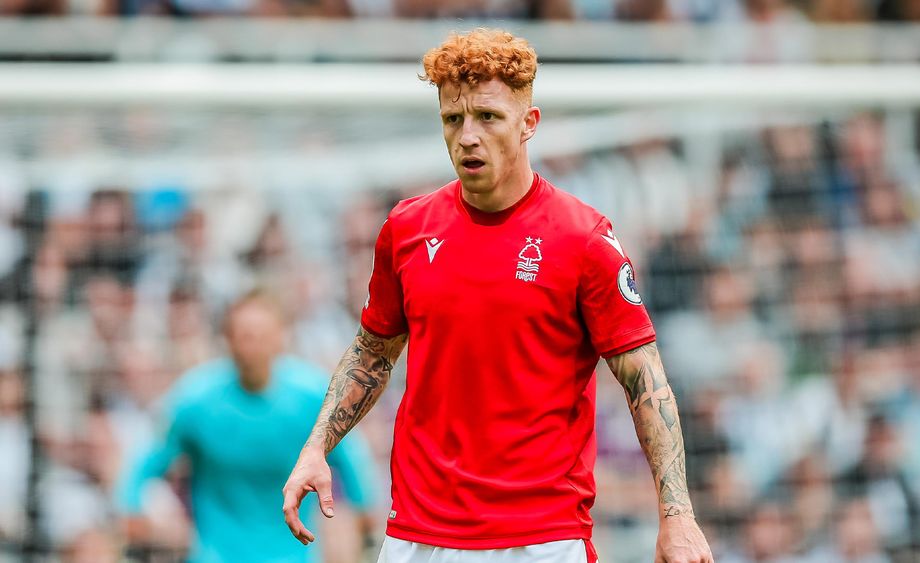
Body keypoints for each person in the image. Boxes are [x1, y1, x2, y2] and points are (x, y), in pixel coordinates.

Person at [283, 28, 714, 563]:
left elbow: (645, 379)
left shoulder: (584, 239)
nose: (468, 136)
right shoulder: (406, 228)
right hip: (419, 535)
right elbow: (373, 352)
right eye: (452, 119)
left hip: (542, 538)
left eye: (488, 117)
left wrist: (678, 518)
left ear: (529, 124)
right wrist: (316, 447)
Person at [118, 289, 378, 562]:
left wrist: (365, 516)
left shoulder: (312, 400)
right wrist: (131, 509)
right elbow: (147, 461)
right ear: (228, 340)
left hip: (292, 555)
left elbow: (352, 461)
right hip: (215, 555)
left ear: (280, 337)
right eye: (244, 336)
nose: (252, 345)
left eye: (261, 335)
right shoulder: (195, 401)